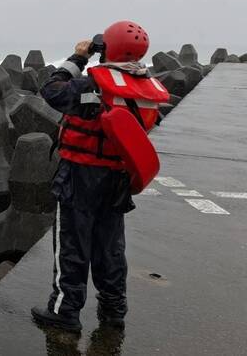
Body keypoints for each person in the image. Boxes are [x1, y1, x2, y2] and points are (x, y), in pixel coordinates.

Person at [31, 20, 168, 332]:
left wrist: (79, 57)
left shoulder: (94, 83)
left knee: (72, 245)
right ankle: (113, 309)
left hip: (79, 175)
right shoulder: (146, 89)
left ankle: (65, 310)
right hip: (118, 179)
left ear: (107, 48)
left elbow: (52, 90)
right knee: (110, 247)